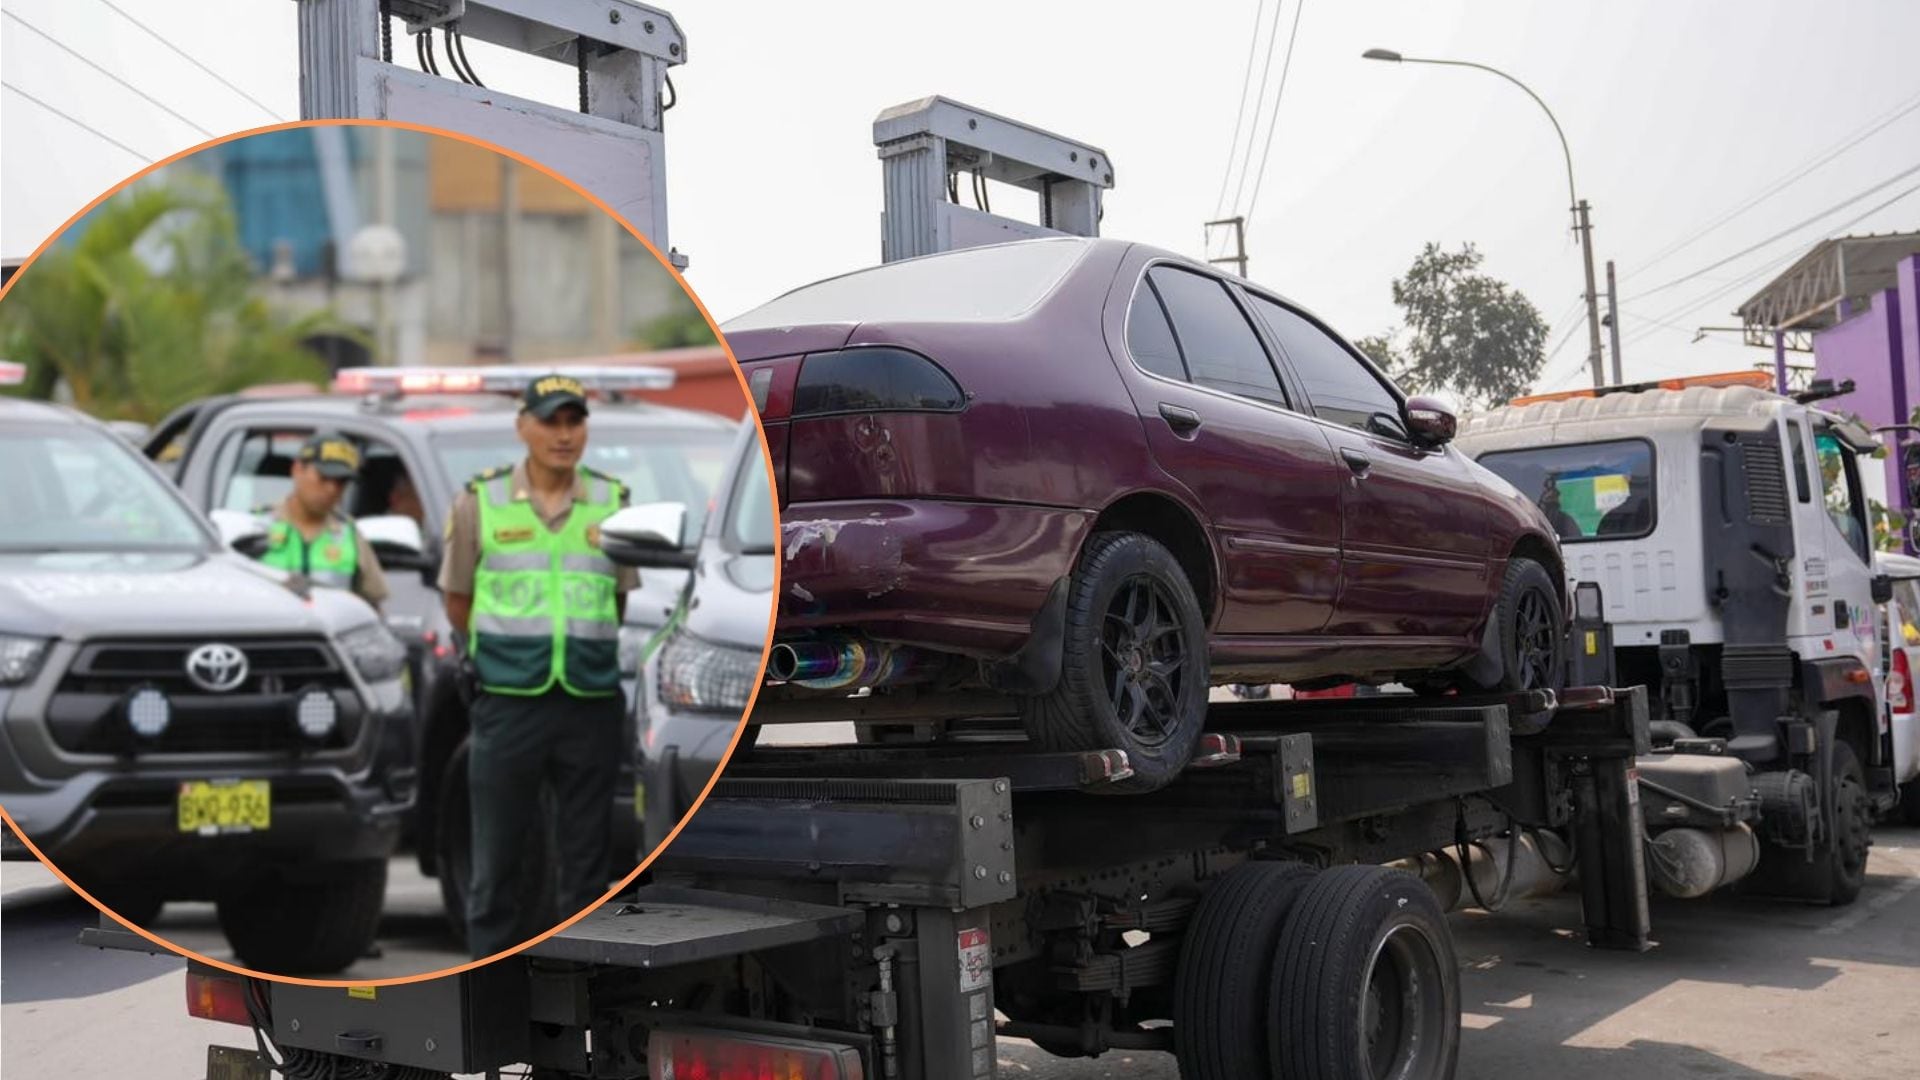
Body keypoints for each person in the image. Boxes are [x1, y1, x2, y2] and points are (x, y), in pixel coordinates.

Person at [438, 374, 638, 959]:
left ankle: (578, 991)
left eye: (574, 420)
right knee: (495, 867)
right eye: (550, 420)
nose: (563, 433)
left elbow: (618, 601)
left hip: (590, 703)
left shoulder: (612, 502)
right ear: (522, 425)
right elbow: (458, 599)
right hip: (507, 702)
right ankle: (490, 990)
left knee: (585, 871)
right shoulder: (482, 501)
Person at [256, 431, 390, 612]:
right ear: (297, 469)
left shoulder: (348, 534)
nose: (331, 489)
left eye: (341, 482)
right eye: (324, 477)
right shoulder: (258, 527)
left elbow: (373, 607)